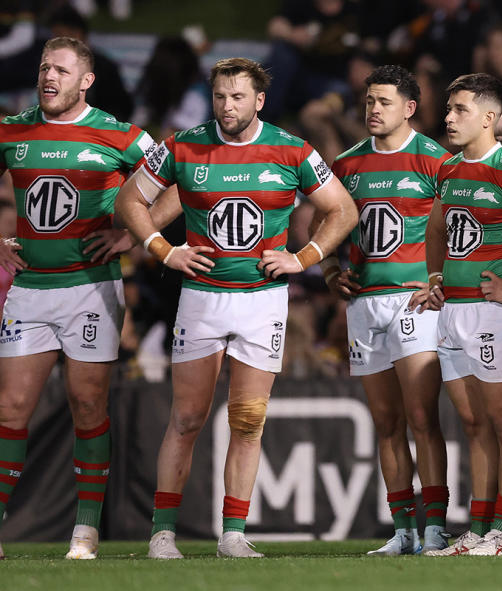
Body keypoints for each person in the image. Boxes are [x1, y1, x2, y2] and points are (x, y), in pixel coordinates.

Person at [116, 57, 357, 559]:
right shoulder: (184, 144)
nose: (227, 106)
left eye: (238, 97)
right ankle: (162, 534)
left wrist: (304, 257)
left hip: (261, 302)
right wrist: (165, 249)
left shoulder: (291, 150)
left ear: (259, 100)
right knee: (186, 418)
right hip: (202, 299)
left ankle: (233, 535)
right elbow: (129, 202)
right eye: (221, 96)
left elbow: (342, 209)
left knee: (248, 420)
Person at [0, 37, 162, 560]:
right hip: (30, 289)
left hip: (91, 289)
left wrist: (136, 234)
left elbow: (177, 178)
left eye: (62, 70)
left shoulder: (119, 135)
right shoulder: (13, 129)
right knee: (11, 407)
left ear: (85, 80)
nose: (50, 77)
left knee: (87, 404)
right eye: (45, 68)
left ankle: (85, 529)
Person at [415, 72, 502, 556]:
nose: (449, 118)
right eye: (448, 110)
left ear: (490, 118)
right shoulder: (449, 169)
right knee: (473, 424)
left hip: (495, 315)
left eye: (460, 110)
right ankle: (479, 526)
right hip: (453, 313)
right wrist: (433, 280)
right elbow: (435, 230)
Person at [325, 65, 451, 555]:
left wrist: (440, 279)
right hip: (363, 305)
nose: (373, 109)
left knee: (422, 417)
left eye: (383, 101)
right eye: (369, 101)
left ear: (409, 108)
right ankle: (403, 531)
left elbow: (456, 224)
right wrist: (331, 270)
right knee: (386, 423)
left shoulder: (434, 160)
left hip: (414, 301)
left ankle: (436, 526)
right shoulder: (348, 163)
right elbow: (327, 218)